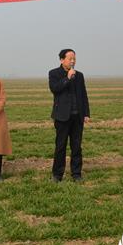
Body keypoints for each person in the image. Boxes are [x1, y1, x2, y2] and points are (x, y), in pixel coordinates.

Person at [49, 48, 90, 182]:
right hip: (62, 116)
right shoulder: (54, 73)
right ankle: (57, 175)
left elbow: (83, 95)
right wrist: (67, 78)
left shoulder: (79, 75)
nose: (73, 61)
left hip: (77, 116)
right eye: (70, 58)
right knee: (60, 146)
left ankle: (76, 174)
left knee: (76, 146)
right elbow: (55, 89)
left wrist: (86, 113)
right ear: (62, 60)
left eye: (74, 59)